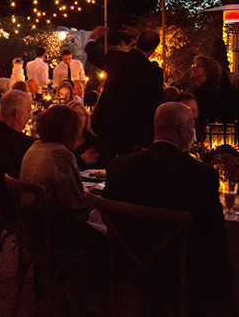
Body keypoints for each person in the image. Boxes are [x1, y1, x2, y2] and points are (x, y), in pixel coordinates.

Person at [103, 102, 230, 316]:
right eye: (192, 127)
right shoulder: (200, 175)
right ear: (183, 130)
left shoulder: (119, 167)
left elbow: (109, 218)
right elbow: (215, 234)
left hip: (126, 263)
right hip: (178, 271)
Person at [19, 104, 103, 249]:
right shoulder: (61, 154)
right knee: (112, 234)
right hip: (55, 234)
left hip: (32, 227)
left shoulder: (35, 147)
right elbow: (76, 207)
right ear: (68, 130)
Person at [85, 26, 164, 156]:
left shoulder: (116, 58)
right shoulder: (154, 72)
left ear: (136, 41)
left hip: (107, 126)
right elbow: (155, 105)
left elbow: (94, 56)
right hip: (134, 132)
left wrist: (92, 39)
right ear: (153, 49)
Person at [0, 90, 35, 222]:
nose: (29, 117)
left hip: (13, 204)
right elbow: (12, 182)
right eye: (28, 111)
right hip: (18, 210)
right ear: (17, 113)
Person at [192, 55, 239, 146]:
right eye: (193, 65)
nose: (193, 68)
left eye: (198, 65)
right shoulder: (211, 89)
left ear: (208, 70)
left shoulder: (207, 91)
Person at [66, 100, 111, 170]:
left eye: (80, 115)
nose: (77, 119)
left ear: (86, 118)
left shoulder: (95, 142)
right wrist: (82, 160)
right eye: (73, 115)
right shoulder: (62, 143)